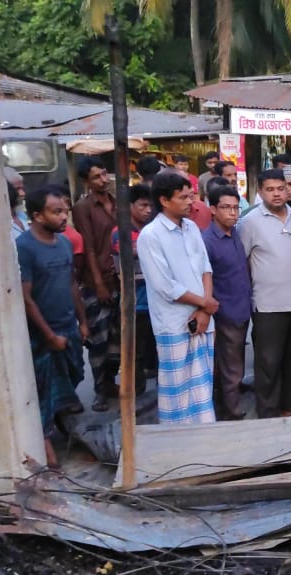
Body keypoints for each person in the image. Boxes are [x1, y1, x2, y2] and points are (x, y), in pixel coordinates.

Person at [16, 187, 89, 468]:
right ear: (36, 215)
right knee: (44, 392)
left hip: (68, 327)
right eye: (56, 212)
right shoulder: (24, 247)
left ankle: (59, 428)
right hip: (43, 334)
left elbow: (72, 283)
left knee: (72, 379)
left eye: (65, 211)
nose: (63, 217)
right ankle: (46, 451)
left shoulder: (65, 243)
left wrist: (82, 321)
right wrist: (48, 335)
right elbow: (26, 297)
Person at [140, 172, 218, 424]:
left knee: (202, 383)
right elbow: (165, 286)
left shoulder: (192, 227)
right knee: (177, 388)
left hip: (202, 319)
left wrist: (205, 309)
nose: (190, 202)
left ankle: (204, 436)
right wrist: (204, 303)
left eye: (191, 196)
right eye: (183, 197)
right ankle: (176, 439)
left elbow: (206, 267)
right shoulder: (150, 235)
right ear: (164, 200)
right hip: (173, 322)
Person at [239, 169, 291, 418]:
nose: (277, 194)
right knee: (268, 363)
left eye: (281, 188)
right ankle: (267, 411)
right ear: (260, 192)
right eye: (270, 189)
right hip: (267, 305)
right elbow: (243, 262)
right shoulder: (249, 222)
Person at [71, 157, 120, 411]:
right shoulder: (83, 207)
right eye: (97, 177)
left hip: (119, 277)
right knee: (99, 340)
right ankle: (102, 389)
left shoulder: (116, 201)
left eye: (104, 174)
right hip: (96, 279)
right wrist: (99, 283)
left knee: (117, 337)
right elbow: (88, 247)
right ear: (86, 182)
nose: (104, 179)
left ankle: (112, 383)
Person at [202, 184, 250, 421]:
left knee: (232, 362)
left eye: (235, 207)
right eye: (225, 208)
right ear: (212, 209)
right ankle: (231, 412)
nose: (232, 213)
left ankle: (225, 406)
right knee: (231, 367)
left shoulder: (235, 234)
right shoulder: (207, 241)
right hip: (224, 312)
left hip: (241, 308)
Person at [108, 183, 158, 394]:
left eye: (150, 206)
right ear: (129, 206)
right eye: (142, 205)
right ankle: (135, 397)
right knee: (134, 353)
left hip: (152, 301)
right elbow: (138, 252)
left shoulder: (148, 229)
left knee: (151, 351)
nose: (148, 210)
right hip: (134, 304)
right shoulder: (121, 232)